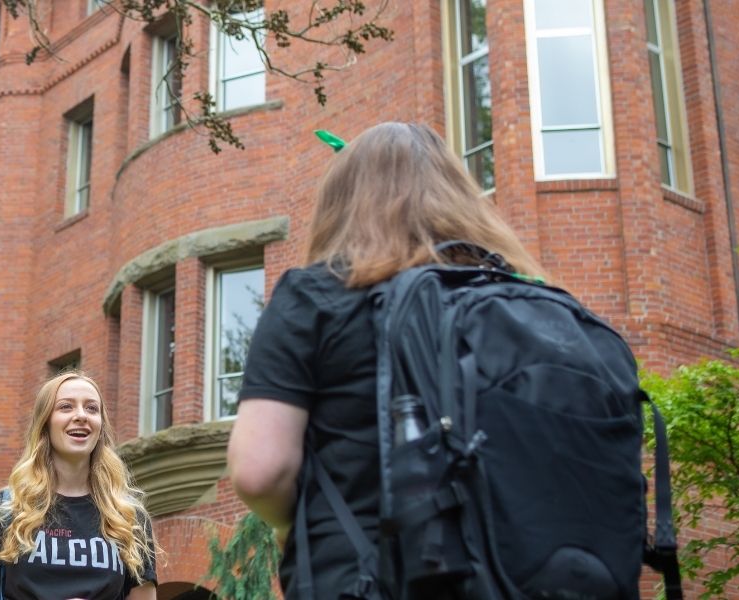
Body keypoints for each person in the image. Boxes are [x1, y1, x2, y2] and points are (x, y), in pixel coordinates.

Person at [225, 122, 547, 598]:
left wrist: (290, 524)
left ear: (342, 204)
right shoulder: (526, 301)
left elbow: (260, 470)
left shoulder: (314, 295)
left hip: (368, 577)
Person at [0, 371, 158, 600]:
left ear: (101, 427)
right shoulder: (3, 510)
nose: (81, 415)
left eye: (92, 408)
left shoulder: (130, 518)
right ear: (45, 423)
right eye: (66, 407)